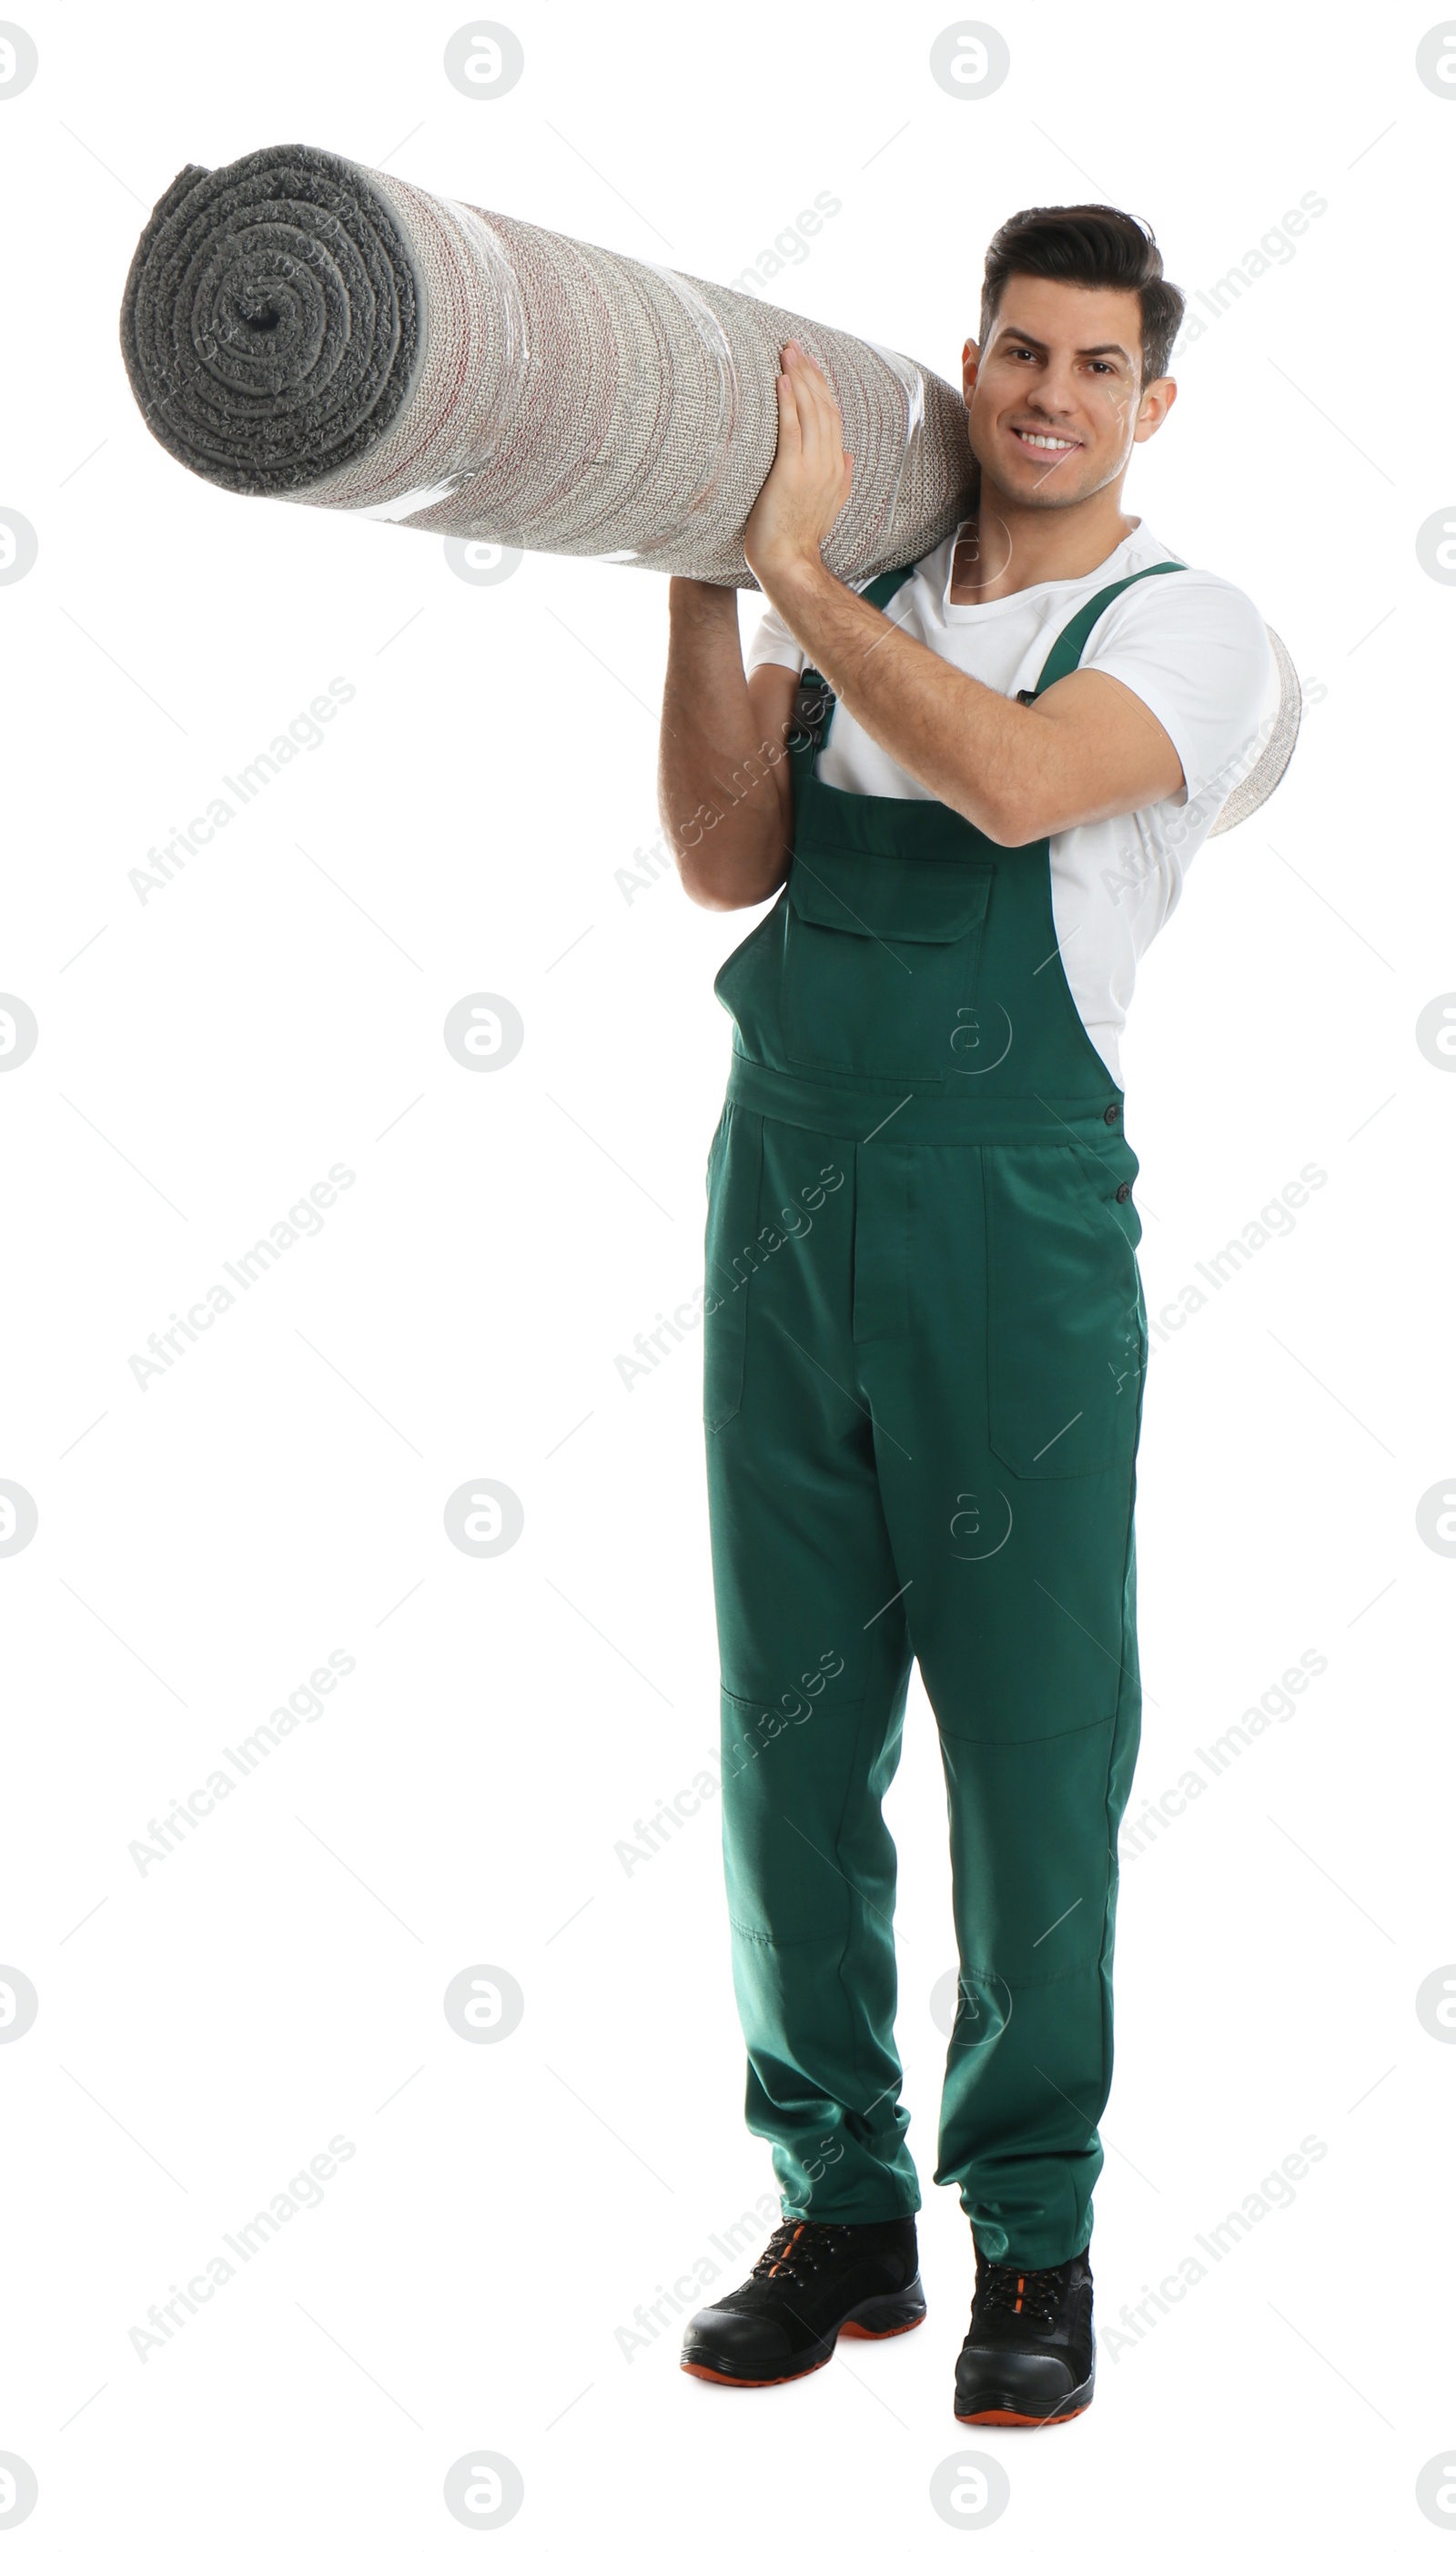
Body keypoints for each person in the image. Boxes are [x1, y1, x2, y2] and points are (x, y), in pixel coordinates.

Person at [655, 204, 1273, 2425]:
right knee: (783, 1745)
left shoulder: (1185, 635)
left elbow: (1013, 783)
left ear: (1147, 402)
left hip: (1009, 1262)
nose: (1042, 395)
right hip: (782, 1226)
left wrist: (802, 583)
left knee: (1028, 1757)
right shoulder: (865, 597)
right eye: (1017, 350)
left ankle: (1034, 2234)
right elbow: (732, 856)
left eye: (1092, 366)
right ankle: (842, 2202)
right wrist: (696, 563)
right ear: (974, 355)